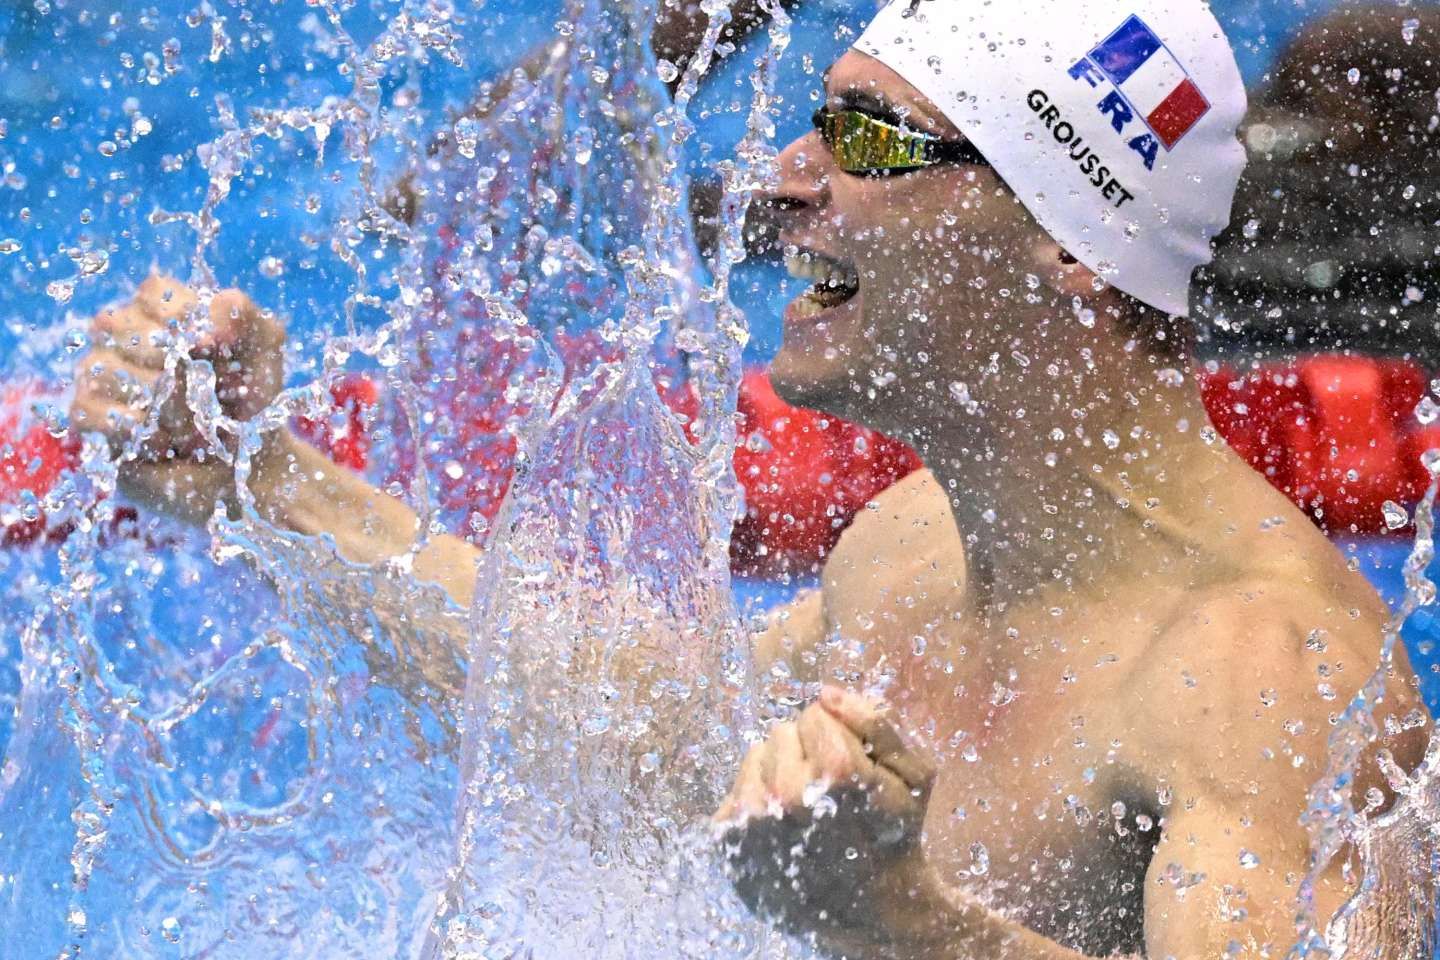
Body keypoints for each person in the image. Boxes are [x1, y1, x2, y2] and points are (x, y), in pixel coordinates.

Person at [68, 2, 1430, 959]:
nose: (785, 182)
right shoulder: (914, 543)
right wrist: (266, 484)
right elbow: (653, 730)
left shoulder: (1277, 676)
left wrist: (902, 922)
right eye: (815, 128)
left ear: (1072, 243)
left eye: (874, 144)